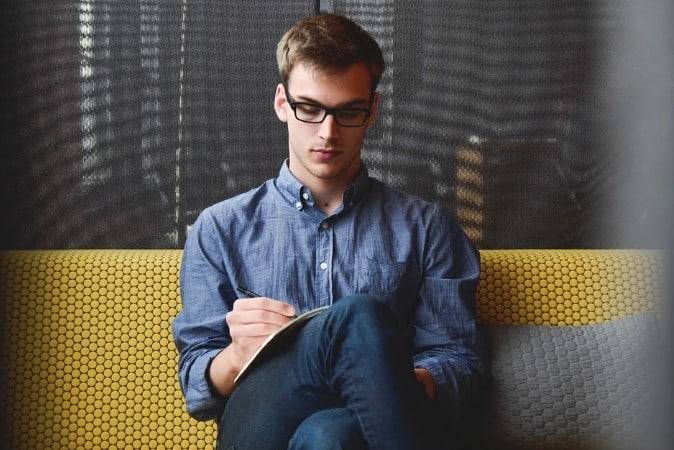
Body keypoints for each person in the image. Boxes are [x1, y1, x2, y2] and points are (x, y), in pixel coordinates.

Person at [172, 13, 484, 450]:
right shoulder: (221, 228)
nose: (328, 132)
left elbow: (458, 366)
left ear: (372, 110)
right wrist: (238, 353)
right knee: (358, 317)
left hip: (360, 432)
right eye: (309, 108)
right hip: (259, 429)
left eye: (348, 112)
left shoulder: (427, 227)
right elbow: (196, 387)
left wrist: (379, 377)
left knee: (328, 436)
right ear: (282, 103)